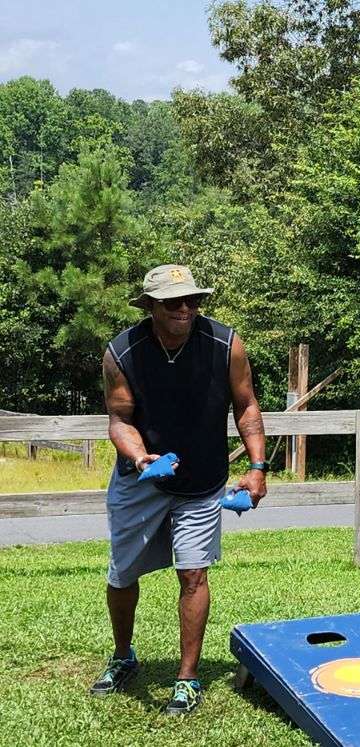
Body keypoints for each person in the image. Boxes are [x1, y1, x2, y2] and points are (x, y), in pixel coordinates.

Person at [88, 264, 268, 715]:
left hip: (202, 482)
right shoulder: (122, 352)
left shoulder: (226, 345)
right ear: (150, 306)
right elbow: (120, 419)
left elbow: (246, 406)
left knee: (193, 573)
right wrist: (139, 457)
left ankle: (186, 678)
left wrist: (258, 466)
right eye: (173, 302)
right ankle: (124, 655)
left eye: (192, 299)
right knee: (122, 573)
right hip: (140, 480)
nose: (185, 308)